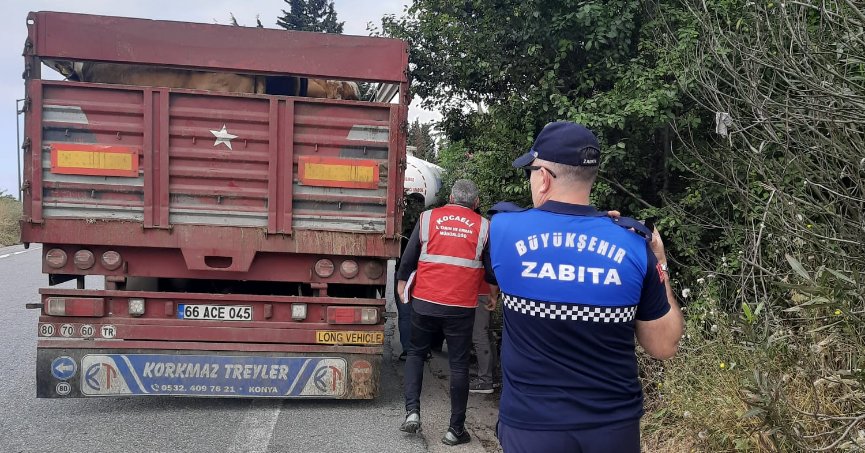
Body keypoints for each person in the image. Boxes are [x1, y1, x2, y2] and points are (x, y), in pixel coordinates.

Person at [488, 121, 684, 453]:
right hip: (613, 430)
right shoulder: (634, 246)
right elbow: (664, 346)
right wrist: (660, 262)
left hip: (532, 428)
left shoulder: (503, 230)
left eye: (532, 172)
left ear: (545, 178)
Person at [396, 179, 496, 446]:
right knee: (459, 365)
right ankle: (455, 430)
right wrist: (494, 293)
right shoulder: (484, 226)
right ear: (475, 203)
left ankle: (413, 413)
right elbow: (489, 270)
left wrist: (402, 282)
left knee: (416, 353)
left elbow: (408, 257)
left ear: (451, 197)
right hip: (460, 307)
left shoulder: (428, 218)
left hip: (425, 302)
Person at [469, 281, 498, 394]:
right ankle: (492, 376)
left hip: (481, 290)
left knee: (479, 335)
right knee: (487, 334)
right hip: (488, 290)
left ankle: (485, 380)